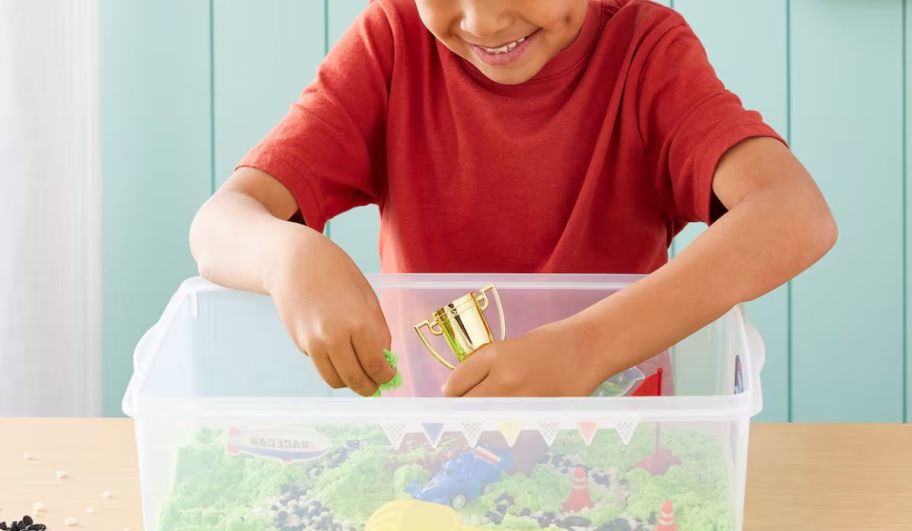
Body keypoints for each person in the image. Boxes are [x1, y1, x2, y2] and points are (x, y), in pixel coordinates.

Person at [189, 0, 837, 398]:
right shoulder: (391, 47)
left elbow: (795, 214)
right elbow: (221, 222)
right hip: (432, 458)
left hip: (620, 461)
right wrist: (287, 256)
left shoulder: (645, 54)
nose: (483, 20)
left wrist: (586, 350)